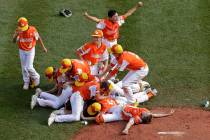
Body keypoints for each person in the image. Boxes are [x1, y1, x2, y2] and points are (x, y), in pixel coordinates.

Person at [82, 103, 175, 135]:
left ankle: (85, 117)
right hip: (119, 107)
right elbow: (155, 115)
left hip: (118, 116)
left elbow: (130, 123)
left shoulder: (137, 118)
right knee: (104, 105)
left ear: (143, 117)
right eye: (147, 112)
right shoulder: (146, 112)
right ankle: (91, 105)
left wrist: (126, 129)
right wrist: (168, 114)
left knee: (100, 119)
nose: (146, 111)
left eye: (145, 113)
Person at [12, 17, 47, 90]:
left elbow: (38, 38)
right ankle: (26, 82)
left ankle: (36, 77)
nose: (23, 29)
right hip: (22, 50)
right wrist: (16, 34)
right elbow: (13, 41)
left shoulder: (33, 29)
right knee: (24, 68)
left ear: (27, 24)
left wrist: (43, 47)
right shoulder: (18, 30)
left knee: (29, 67)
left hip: (31, 50)